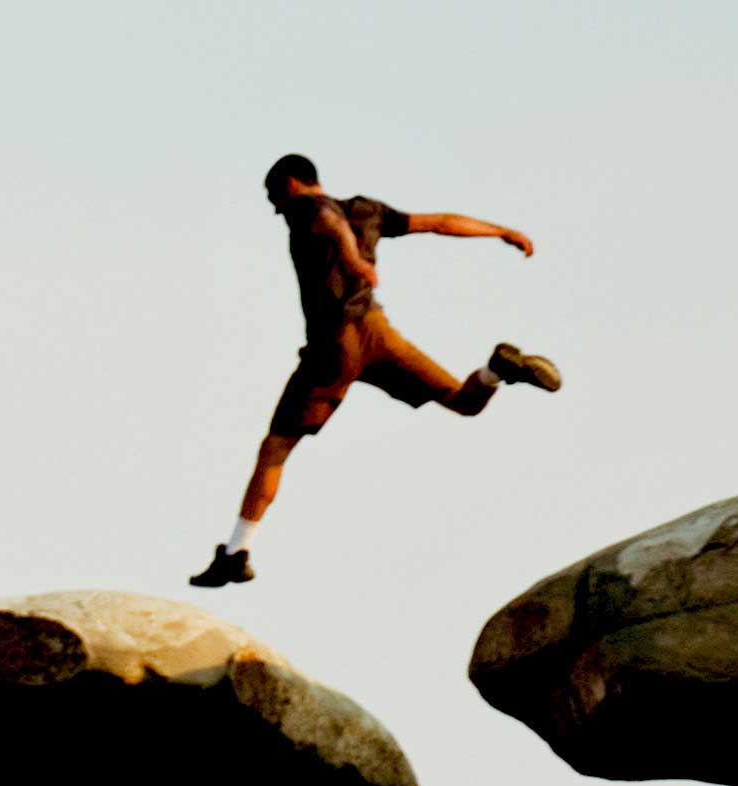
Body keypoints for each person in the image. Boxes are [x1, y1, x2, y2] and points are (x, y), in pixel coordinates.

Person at [190, 154, 561, 587]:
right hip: (378, 334)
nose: (275, 209)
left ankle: (236, 551)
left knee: (275, 448)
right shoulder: (368, 210)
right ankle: (496, 371)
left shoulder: (306, 209)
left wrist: (352, 260)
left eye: (274, 197)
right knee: (464, 402)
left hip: (334, 343)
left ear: (291, 184)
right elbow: (439, 221)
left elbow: (329, 222)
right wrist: (500, 231)